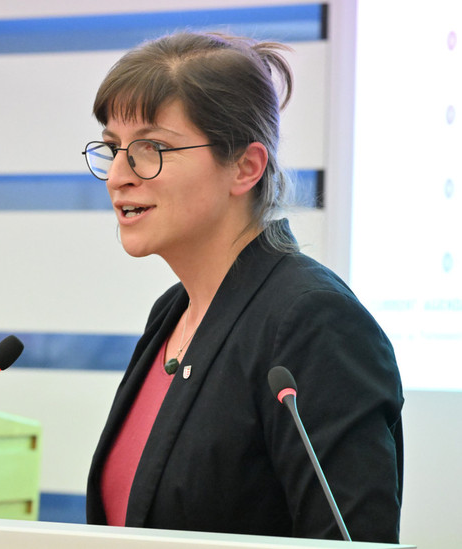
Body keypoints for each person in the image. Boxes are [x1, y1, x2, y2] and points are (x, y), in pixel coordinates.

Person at [82, 32, 403, 543]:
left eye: (151, 149)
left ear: (245, 167)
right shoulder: (172, 313)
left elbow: (350, 537)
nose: (118, 176)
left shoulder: (313, 321)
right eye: (114, 148)